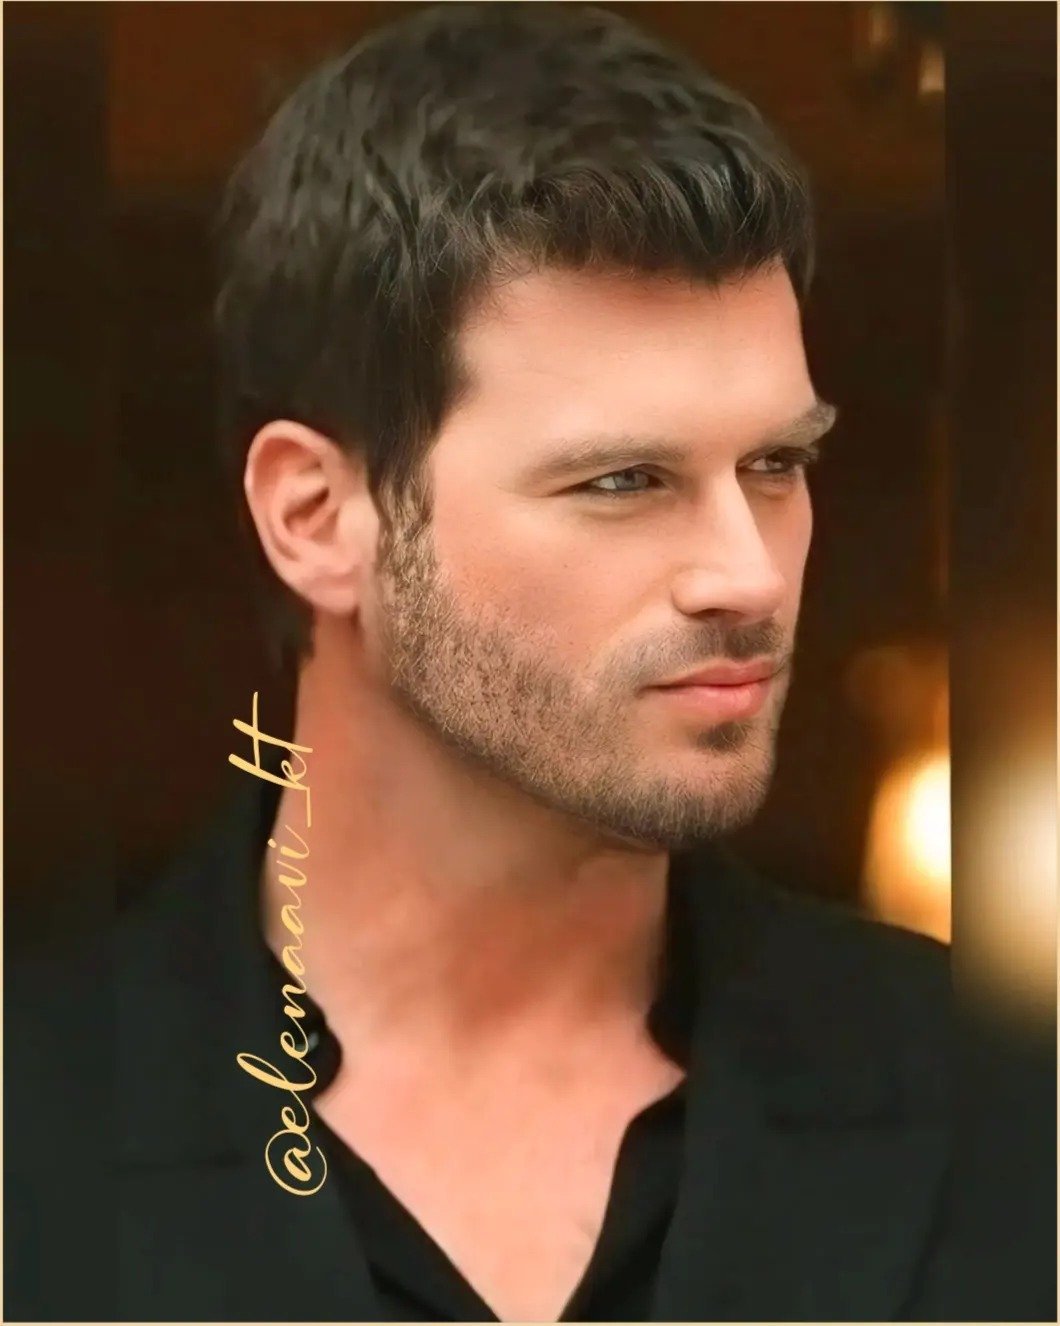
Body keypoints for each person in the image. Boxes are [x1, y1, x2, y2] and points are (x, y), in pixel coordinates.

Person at [5, 4, 1054, 1322]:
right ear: (316, 518)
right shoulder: (35, 1138)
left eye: (777, 464)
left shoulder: (1007, 1118)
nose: (746, 573)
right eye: (624, 480)